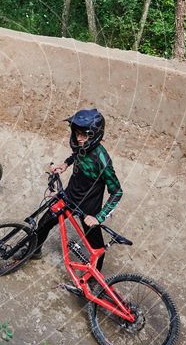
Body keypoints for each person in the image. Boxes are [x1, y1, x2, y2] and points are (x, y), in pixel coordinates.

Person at [33, 108, 123, 270]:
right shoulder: (81, 145)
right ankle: (33, 251)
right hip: (69, 196)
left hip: (89, 208)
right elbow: (77, 154)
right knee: (44, 223)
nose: (79, 139)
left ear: (95, 135)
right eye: (76, 133)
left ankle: (92, 279)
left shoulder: (102, 160)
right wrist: (65, 164)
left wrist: (99, 218)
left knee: (96, 248)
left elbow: (117, 191)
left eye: (84, 135)